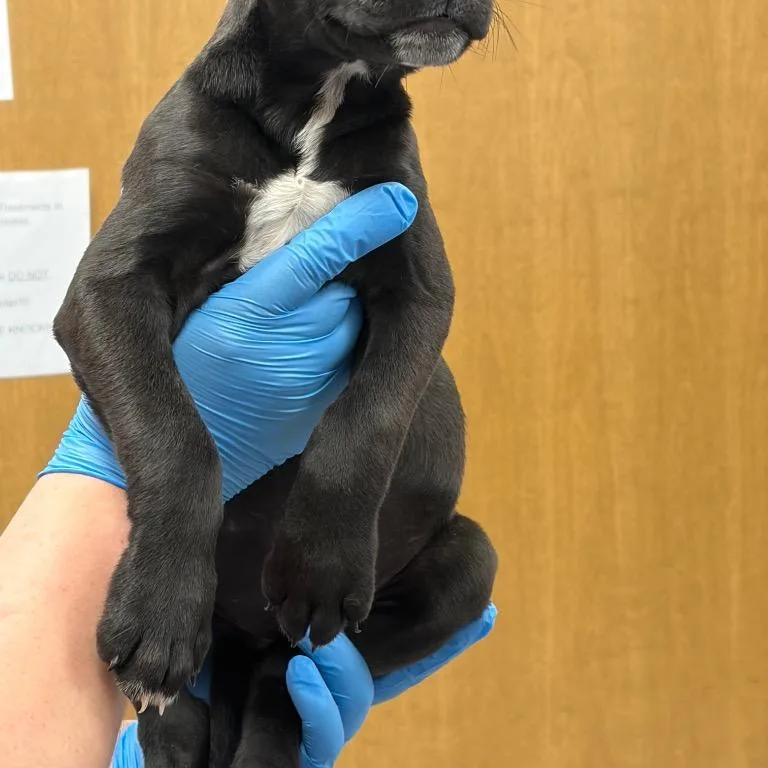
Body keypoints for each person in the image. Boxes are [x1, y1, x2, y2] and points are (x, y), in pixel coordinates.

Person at [0, 184, 495, 768]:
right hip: (203, 585)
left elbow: (422, 298)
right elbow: (100, 296)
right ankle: (197, 706)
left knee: (464, 572)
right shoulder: (199, 149)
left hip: (353, 571)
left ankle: (268, 704)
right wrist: (122, 467)